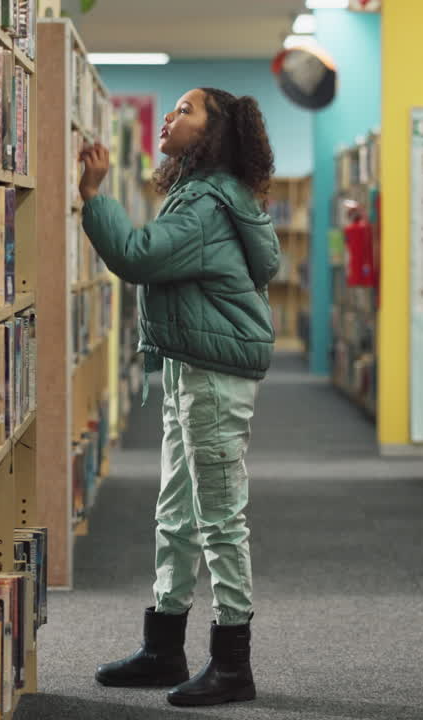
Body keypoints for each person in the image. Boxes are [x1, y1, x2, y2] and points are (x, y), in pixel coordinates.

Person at [76, 87, 280, 707]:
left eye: (186, 110)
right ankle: (164, 645)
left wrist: (93, 197)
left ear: (212, 134)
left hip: (213, 375)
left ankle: (233, 662)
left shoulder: (206, 207)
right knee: (176, 512)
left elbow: (138, 257)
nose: (170, 115)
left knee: (219, 519)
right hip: (190, 367)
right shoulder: (198, 195)